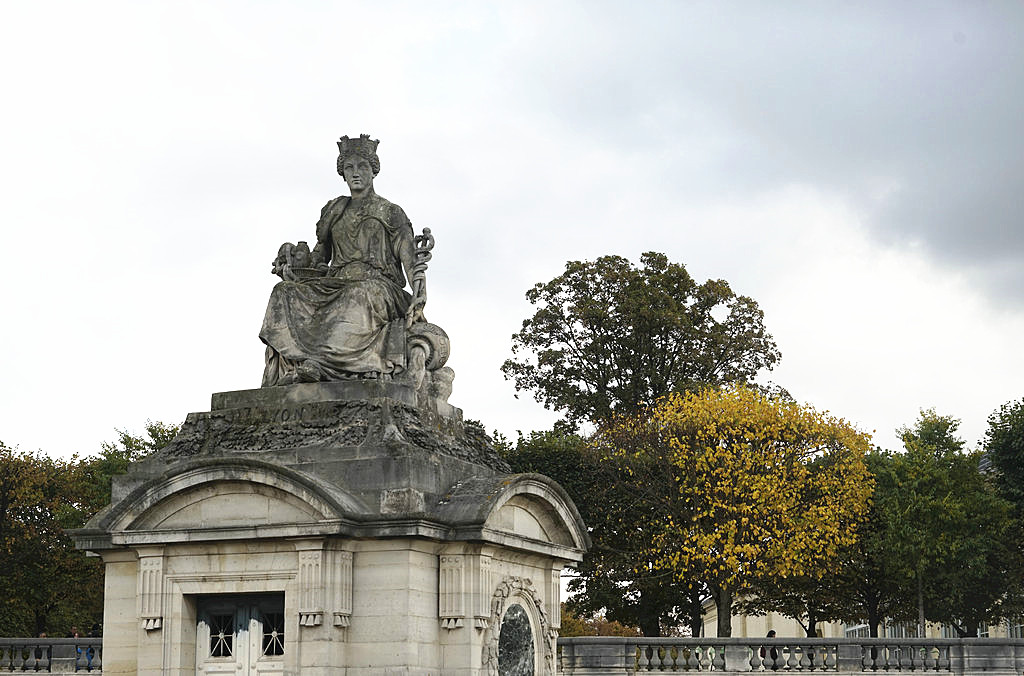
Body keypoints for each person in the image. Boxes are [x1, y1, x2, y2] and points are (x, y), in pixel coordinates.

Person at [260, 135, 423, 386]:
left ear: (373, 171)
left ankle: (319, 364)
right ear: (343, 173)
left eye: (362, 167)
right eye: (349, 168)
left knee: (358, 294)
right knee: (283, 292)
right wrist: (293, 267)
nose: (356, 173)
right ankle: (293, 366)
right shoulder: (335, 210)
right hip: (336, 283)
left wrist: (420, 294)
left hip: (380, 287)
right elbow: (319, 258)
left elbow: (410, 259)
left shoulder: (391, 212)